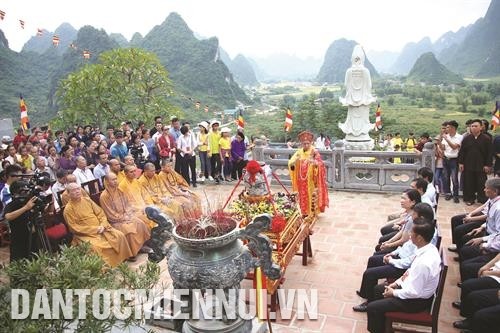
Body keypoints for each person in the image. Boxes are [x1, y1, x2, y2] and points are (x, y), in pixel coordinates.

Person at [366, 219, 441, 333]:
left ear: (420, 238)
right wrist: (396, 283)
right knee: (378, 290)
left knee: (373, 308)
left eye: (412, 232)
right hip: (411, 288)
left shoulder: (424, 264)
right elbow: (410, 271)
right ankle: (382, 326)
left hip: (415, 301)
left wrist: (394, 292)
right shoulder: (427, 248)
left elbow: (414, 292)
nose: (409, 234)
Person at [63, 183, 133, 266]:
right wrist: (95, 229)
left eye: (78, 189)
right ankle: (105, 267)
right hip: (86, 234)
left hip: (102, 227)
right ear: (68, 194)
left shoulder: (87, 200)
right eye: (73, 190)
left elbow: (100, 213)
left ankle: (123, 258)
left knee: (119, 235)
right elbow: (74, 228)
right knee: (95, 247)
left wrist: (103, 225)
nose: (77, 191)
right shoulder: (68, 209)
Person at [99, 173, 151, 256]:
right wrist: (123, 218)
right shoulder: (104, 196)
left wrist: (128, 214)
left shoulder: (120, 190)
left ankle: (142, 246)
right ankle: (133, 252)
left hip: (127, 216)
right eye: (113, 180)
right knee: (129, 229)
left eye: (116, 179)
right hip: (115, 221)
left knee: (140, 223)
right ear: (107, 182)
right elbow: (109, 213)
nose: (116, 181)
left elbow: (127, 204)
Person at [288, 131, 329, 216]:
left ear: (311, 143)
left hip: (311, 179)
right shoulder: (299, 152)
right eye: (304, 143)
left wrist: (314, 162)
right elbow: (291, 163)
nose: (306, 145)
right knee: (302, 195)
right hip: (301, 179)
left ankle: (312, 212)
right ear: (301, 143)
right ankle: (304, 211)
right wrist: (295, 161)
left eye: (308, 143)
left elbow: (320, 164)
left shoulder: (314, 152)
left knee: (311, 194)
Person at [3, 180, 40, 261]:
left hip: (32, 236)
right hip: (18, 237)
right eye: (24, 191)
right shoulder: (12, 204)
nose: (27, 194)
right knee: (20, 261)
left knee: (35, 258)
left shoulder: (30, 202)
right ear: (16, 193)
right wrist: (25, 208)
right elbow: (8, 216)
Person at [459, 119, 493, 205]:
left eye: (476, 126)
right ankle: (470, 199)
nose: (473, 128)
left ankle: (482, 199)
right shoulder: (466, 138)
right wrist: (461, 163)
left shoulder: (486, 139)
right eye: (472, 126)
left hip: (481, 165)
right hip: (468, 164)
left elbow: (489, 153)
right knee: (469, 182)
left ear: (481, 127)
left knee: (481, 183)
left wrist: (488, 165)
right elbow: (462, 151)